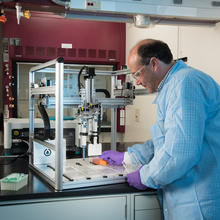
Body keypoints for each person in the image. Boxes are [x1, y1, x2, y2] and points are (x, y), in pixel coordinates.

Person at [100, 39, 220, 219]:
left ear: (154, 63)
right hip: (185, 194)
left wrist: (145, 177)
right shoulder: (173, 85)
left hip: (197, 198)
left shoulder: (185, 84)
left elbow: (180, 152)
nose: (137, 82)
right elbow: (167, 139)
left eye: (137, 74)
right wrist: (129, 156)